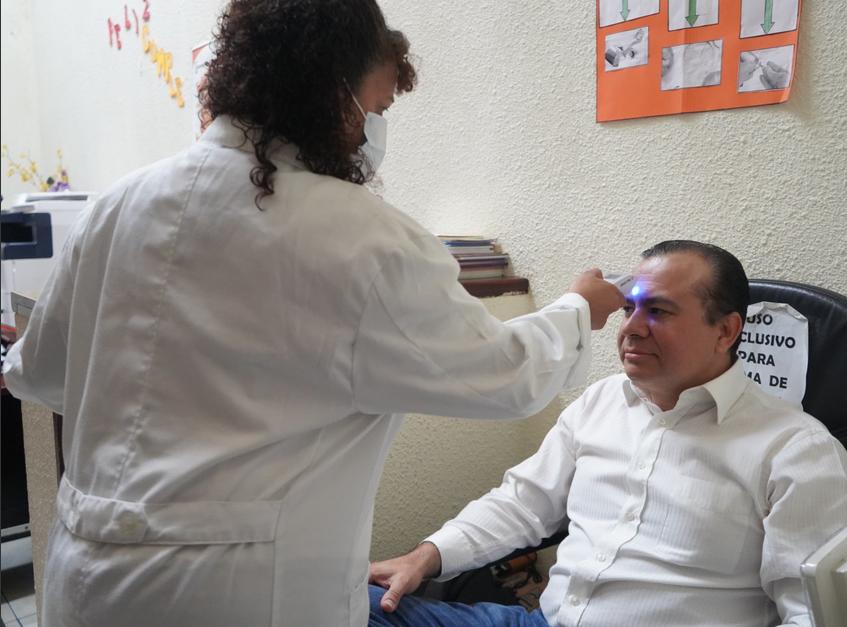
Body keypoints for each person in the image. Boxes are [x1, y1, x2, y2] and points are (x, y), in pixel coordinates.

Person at [1, 2, 625, 626]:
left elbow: (40, 375)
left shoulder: (118, 206)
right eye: (375, 110)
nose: (372, 134)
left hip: (86, 578)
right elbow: (502, 375)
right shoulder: (361, 237)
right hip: (239, 592)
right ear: (333, 95)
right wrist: (579, 309)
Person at [368, 241, 847, 627]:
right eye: (629, 309)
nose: (632, 329)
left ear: (726, 331)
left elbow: (812, 614)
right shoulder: (602, 400)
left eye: (659, 312)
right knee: (344, 606)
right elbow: (522, 503)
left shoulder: (795, 451)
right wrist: (424, 558)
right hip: (544, 621)